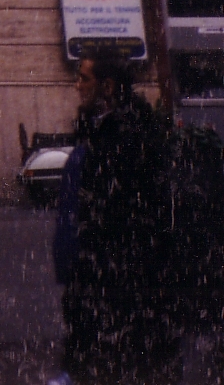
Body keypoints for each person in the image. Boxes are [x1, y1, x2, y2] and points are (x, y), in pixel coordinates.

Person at [49, 50, 179, 385]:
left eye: (83, 78)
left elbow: (113, 217)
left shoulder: (118, 140)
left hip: (116, 282)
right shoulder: (114, 131)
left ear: (107, 87)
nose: (77, 85)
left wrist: (88, 269)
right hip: (114, 280)